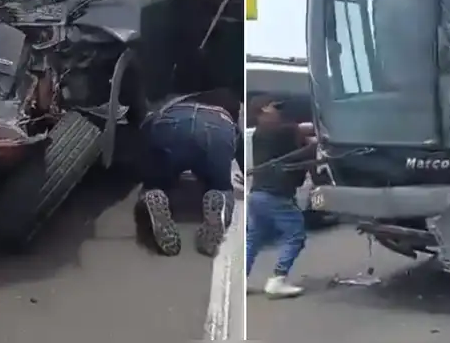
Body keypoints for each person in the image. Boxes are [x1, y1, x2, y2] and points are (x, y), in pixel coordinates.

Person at [135, 89, 242, 257]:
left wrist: (147, 168)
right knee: (220, 185)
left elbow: (146, 128)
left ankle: (155, 192)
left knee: (157, 180)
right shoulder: (231, 102)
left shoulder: (174, 96)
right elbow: (238, 143)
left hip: (172, 122)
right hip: (217, 128)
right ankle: (218, 200)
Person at [245, 95, 318, 298]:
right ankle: (278, 279)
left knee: (254, 238)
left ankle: (241, 279)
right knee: (296, 234)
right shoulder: (278, 131)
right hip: (275, 195)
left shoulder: (259, 133)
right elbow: (307, 132)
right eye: (274, 107)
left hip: (258, 195)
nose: (278, 111)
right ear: (262, 112)